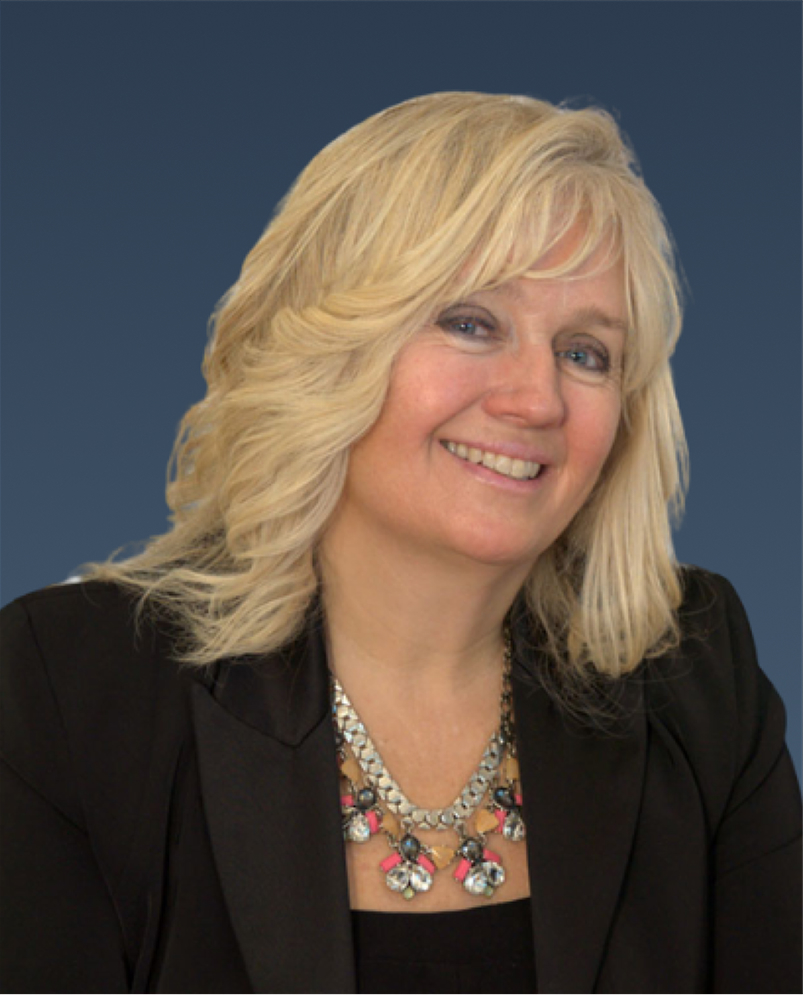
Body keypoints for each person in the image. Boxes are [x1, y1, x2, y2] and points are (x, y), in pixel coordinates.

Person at [0, 92, 799, 994]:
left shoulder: (697, 677)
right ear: (329, 345)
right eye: (471, 322)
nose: (537, 399)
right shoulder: (67, 687)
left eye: (585, 352)